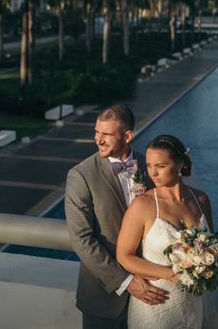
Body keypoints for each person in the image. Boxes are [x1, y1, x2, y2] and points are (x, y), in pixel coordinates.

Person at [65, 104, 169, 329]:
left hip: (154, 295)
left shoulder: (150, 167)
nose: (98, 140)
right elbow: (82, 239)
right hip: (103, 299)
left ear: (128, 135)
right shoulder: (80, 176)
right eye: (96, 132)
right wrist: (126, 282)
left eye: (106, 134)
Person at [116, 134, 214, 329]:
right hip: (154, 303)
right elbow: (123, 256)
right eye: (150, 165)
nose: (153, 173)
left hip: (191, 304)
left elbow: (211, 246)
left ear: (180, 165)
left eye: (160, 166)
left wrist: (216, 264)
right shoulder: (142, 205)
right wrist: (170, 274)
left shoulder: (201, 200)